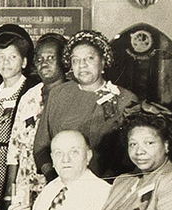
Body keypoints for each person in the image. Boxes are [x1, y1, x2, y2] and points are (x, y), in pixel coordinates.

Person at [35, 31, 141, 176]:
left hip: (107, 186)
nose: (82, 65)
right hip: (62, 182)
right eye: (76, 60)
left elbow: (130, 155)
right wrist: (53, 176)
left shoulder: (125, 99)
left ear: (103, 62)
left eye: (89, 58)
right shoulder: (58, 95)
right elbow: (41, 147)